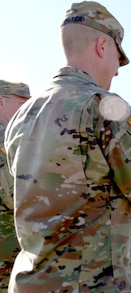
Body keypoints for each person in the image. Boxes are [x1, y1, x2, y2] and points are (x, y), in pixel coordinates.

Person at [4, 2, 131, 292]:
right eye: (118, 59)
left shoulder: (21, 117)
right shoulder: (105, 107)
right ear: (102, 45)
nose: (117, 72)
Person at [0, 80, 31, 290]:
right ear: (1, 102)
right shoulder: (6, 142)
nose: (27, 109)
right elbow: (18, 197)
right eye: (21, 103)